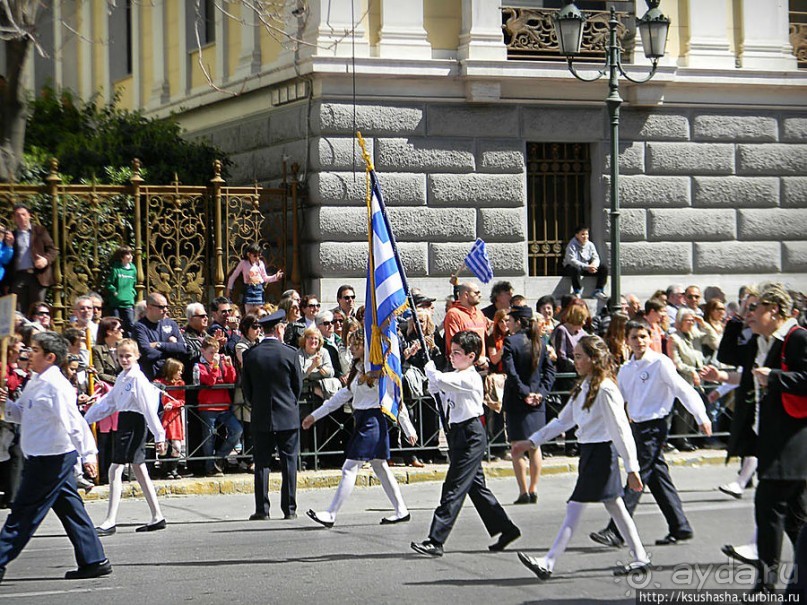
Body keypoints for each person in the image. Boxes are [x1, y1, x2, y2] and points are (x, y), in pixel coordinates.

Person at [514, 335, 650, 580]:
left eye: (578, 357)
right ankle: (640, 556)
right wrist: (533, 440)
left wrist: (632, 468)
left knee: (575, 507)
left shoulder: (606, 388)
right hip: (589, 453)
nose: (574, 361)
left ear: (593, 359)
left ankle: (548, 561)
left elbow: (621, 429)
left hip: (601, 453)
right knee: (616, 508)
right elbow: (563, 420)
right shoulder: (584, 385)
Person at [589, 320, 711, 549]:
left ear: (650, 338)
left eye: (643, 336)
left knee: (637, 475)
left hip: (654, 426)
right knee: (658, 477)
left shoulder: (659, 363)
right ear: (627, 340)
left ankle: (616, 530)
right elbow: (619, 399)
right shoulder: (626, 368)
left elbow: (682, 389)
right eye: (634, 337)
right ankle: (679, 525)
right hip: (637, 426)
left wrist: (701, 416)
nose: (639, 341)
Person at [0, 331, 111, 582]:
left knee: (24, 512)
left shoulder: (55, 385)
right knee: (70, 508)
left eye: (35, 350)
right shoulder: (36, 380)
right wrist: (6, 405)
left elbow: (74, 422)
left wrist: (88, 454)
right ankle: (94, 559)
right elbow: (23, 414)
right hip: (42, 455)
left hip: (51, 458)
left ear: (50, 357)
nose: (29, 354)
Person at [410, 331, 521, 557]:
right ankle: (506, 528)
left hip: (471, 435)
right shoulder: (457, 374)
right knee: (476, 488)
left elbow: (442, 380)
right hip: (457, 435)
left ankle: (436, 540)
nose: (452, 356)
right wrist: (434, 387)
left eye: (458, 353)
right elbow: (441, 392)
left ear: (471, 356)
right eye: (452, 352)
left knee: (454, 486)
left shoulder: (469, 377)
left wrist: (432, 371)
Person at [303, 328, 416, 527]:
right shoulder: (357, 369)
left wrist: (408, 428)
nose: (353, 349)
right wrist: (314, 416)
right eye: (351, 345)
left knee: (349, 467)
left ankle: (331, 514)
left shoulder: (379, 370)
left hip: (373, 421)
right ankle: (401, 510)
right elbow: (340, 397)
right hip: (362, 420)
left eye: (358, 345)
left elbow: (395, 398)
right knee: (380, 467)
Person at [741, 284, 807, 594]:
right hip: (777, 443)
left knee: (768, 509)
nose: (751, 313)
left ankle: (766, 587)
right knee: (795, 520)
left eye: (757, 308)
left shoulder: (797, 338)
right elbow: (731, 352)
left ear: (775, 311)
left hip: (790, 444)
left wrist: (774, 378)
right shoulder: (765, 341)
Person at [84, 339, 168, 536]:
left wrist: (159, 435)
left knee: (115, 468)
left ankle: (110, 520)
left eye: (128, 355)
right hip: (124, 421)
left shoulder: (137, 379)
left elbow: (148, 408)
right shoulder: (122, 377)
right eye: (121, 356)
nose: (124, 359)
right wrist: (87, 418)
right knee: (139, 469)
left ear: (137, 355)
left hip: (134, 422)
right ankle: (157, 516)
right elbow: (110, 403)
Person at [241, 310, 303, 521]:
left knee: (262, 463)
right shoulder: (290, 353)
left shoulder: (251, 354)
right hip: (287, 415)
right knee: (289, 463)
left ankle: (262, 509)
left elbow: (246, 389)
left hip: (261, 416)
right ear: (278, 329)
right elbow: (298, 386)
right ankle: (290, 509)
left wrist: (258, 405)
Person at [502, 305, 555, 504]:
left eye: (510, 320)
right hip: (536, 402)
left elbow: (511, 372)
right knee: (535, 446)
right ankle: (533, 488)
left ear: (518, 322)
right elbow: (550, 372)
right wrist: (540, 394)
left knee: (517, 447)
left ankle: (523, 491)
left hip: (517, 400)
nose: (508, 324)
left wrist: (525, 393)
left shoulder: (511, 342)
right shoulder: (541, 341)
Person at [195, 336, 242, 477]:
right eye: (210, 353)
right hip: (208, 407)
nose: (214, 356)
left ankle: (219, 458)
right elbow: (209, 382)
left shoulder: (219, 363)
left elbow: (231, 380)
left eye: (216, 353)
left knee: (237, 430)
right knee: (209, 438)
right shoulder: (199, 366)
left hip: (224, 405)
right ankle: (209, 467)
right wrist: (215, 367)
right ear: (202, 351)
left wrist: (228, 366)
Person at [10, 204, 58, 313]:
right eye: (17, 215)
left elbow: (53, 250)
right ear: (14, 218)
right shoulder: (12, 235)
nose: (21, 218)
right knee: (18, 310)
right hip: (19, 277)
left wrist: (45, 260)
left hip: (38, 276)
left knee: (37, 309)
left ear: (29, 216)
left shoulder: (39, 231)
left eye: (23, 214)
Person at [133, 292, 186, 380]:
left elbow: (183, 348)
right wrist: (171, 350)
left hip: (172, 379)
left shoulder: (171, 324)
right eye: (161, 307)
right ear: (149, 307)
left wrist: (159, 345)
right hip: (152, 378)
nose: (165, 310)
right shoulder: (140, 327)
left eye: (166, 307)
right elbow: (147, 353)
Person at [225, 243, 283, 315]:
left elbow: (265, 278)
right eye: (255, 256)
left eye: (259, 255)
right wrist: (228, 289)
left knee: (259, 313)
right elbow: (233, 276)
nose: (257, 258)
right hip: (249, 289)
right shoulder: (243, 263)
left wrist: (275, 277)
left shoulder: (260, 264)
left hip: (258, 289)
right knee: (249, 313)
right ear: (248, 254)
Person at [155, 358, 185, 480]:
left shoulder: (180, 383)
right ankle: (165, 469)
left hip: (174, 416)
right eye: (178, 370)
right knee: (164, 446)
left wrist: (173, 404)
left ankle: (174, 468)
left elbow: (182, 400)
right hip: (163, 416)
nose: (180, 373)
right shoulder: (159, 382)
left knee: (176, 445)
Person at [443, 282, 489, 359]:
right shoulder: (453, 314)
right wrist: (473, 359)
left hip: (481, 365)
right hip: (461, 365)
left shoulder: (479, 313)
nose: (480, 295)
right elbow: (454, 344)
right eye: (476, 293)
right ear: (466, 295)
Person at [562, 225, 607, 299]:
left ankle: (598, 290)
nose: (585, 236)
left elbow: (596, 257)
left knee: (603, 268)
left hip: (587, 267)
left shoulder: (590, 244)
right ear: (577, 235)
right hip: (572, 267)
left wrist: (594, 266)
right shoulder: (571, 245)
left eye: (586, 234)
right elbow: (572, 260)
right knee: (575, 269)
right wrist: (587, 267)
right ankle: (577, 291)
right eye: (582, 234)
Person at [104, 246, 137, 336]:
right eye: (127, 254)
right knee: (116, 324)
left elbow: (134, 283)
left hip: (128, 302)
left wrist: (132, 293)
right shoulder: (116, 269)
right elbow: (109, 283)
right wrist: (114, 292)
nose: (130, 256)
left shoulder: (133, 269)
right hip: (116, 303)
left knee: (130, 324)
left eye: (131, 254)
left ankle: (131, 343)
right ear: (122, 257)